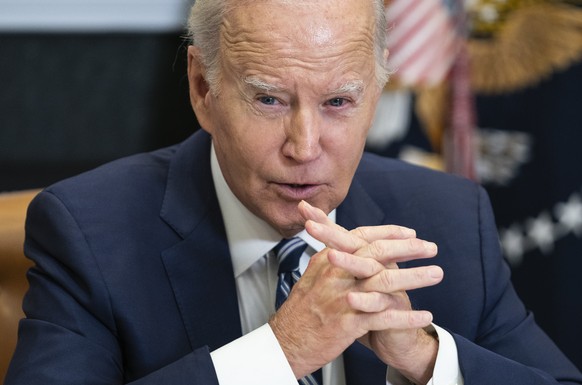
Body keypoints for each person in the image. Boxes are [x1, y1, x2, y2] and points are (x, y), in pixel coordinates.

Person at [5, 0, 582, 384]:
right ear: (203, 87)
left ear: (377, 92)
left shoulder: (448, 217)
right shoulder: (87, 229)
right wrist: (279, 352)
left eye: (338, 102)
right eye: (269, 99)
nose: (304, 147)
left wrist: (428, 360)